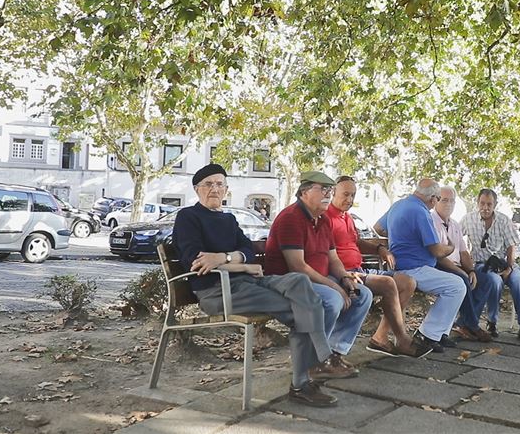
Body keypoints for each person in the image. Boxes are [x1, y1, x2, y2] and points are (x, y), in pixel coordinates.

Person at [173, 164, 351, 408]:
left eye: (219, 184)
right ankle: (310, 374)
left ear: (226, 189)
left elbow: (248, 252)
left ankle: (317, 367)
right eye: (208, 184)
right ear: (197, 189)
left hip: (248, 283)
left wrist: (226, 259)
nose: (214, 189)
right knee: (304, 308)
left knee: (299, 282)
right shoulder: (188, 217)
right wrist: (239, 263)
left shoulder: (228, 219)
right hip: (218, 292)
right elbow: (196, 261)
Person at [264, 171, 373, 376]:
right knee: (332, 299)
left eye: (330, 190)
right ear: (304, 192)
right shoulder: (291, 218)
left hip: (315, 279)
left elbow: (333, 259)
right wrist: (334, 286)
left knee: (362, 294)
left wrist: (344, 278)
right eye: (322, 189)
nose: (328, 195)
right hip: (289, 282)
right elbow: (298, 266)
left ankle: (333, 352)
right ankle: (314, 360)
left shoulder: (322, 220)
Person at [326, 175, 433, 357]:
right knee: (388, 283)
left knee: (407, 282)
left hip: (360, 270)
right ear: (332, 193)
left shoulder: (348, 218)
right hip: (345, 274)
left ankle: (380, 338)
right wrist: (345, 274)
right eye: (345, 195)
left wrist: (380, 248)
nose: (350, 200)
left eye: (353, 195)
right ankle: (403, 340)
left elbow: (356, 242)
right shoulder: (325, 218)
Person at [373, 179, 467, 353]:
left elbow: (378, 228)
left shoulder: (399, 205)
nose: (437, 203)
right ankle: (428, 335)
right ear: (432, 198)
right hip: (414, 268)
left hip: (402, 266)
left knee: (456, 282)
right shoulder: (420, 212)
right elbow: (437, 251)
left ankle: (438, 334)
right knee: (457, 286)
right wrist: (451, 247)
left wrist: (399, 237)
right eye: (438, 199)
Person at [461, 188, 520, 343]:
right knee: (494, 281)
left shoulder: (503, 220)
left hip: (503, 262)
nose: (485, 208)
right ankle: (492, 322)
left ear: (495, 205)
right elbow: (456, 237)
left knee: (517, 282)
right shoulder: (468, 219)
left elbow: (511, 245)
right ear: (477, 203)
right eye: (482, 203)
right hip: (483, 264)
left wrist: (509, 267)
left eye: (489, 204)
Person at [431, 186, 494, 342]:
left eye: (452, 201)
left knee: (486, 278)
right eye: (444, 200)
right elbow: (437, 256)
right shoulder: (430, 221)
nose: (449, 204)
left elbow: (463, 252)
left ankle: (463, 323)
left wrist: (471, 270)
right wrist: (462, 272)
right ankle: (472, 324)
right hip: (439, 265)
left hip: (457, 266)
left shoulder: (455, 225)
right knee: (462, 280)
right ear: (436, 201)